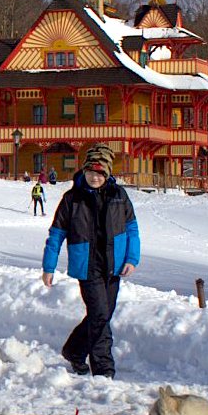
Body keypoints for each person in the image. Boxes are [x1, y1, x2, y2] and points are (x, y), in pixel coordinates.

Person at [41, 143, 140, 379]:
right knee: (99, 317)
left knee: (102, 315)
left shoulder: (119, 196)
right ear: (84, 171)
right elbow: (56, 234)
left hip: (113, 266)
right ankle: (104, 370)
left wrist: (132, 258)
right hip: (87, 267)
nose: (94, 177)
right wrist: (49, 266)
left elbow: (132, 228)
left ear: (107, 173)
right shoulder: (72, 198)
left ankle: (74, 350)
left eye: (100, 172)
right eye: (91, 172)